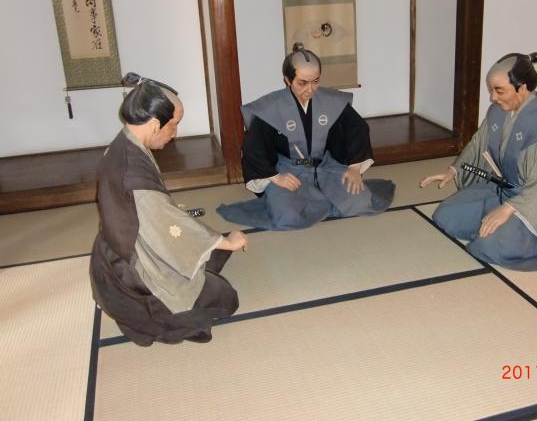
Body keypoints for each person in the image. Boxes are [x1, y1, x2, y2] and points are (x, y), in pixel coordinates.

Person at [89, 73, 249, 346]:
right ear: (154, 124)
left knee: (211, 252)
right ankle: (146, 316)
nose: (175, 133)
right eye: (173, 124)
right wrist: (227, 242)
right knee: (226, 299)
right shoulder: (133, 178)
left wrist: (210, 240)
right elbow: (168, 227)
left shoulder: (123, 143)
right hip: (135, 274)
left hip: (118, 249)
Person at [420, 52, 537, 271]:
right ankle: (496, 225)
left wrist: (508, 209)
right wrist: (453, 170)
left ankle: (521, 236)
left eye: (499, 91)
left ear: (521, 88)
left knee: (488, 246)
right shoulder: (498, 112)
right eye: (491, 90)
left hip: (533, 206)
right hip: (502, 192)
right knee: (446, 215)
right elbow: (478, 145)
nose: (493, 98)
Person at [217, 43, 395, 230]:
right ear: (287, 80)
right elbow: (254, 147)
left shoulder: (331, 101)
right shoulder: (270, 108)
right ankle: (321, 200)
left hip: (327, 167)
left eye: (315, 81)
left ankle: (318, 200)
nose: (310, 89)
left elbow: (357, 129)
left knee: (361, 203)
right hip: (289, 170)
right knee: (288, 217)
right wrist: (275, 178)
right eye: (302, 83)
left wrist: (354, 167)